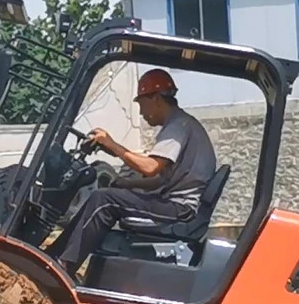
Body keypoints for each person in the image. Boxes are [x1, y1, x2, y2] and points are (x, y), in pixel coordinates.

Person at [45, 68, 218, 278]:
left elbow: (150, 168)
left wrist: (113, 145)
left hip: (179, 209)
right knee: (108, 196)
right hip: (175, 204)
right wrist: (125, 184)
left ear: (155, 98)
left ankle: (63, 265)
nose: (141, 112)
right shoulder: (182, 124)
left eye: (141, 103)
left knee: (104, 199)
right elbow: (161, 179)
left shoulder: (178, 126)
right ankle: (52, 256)